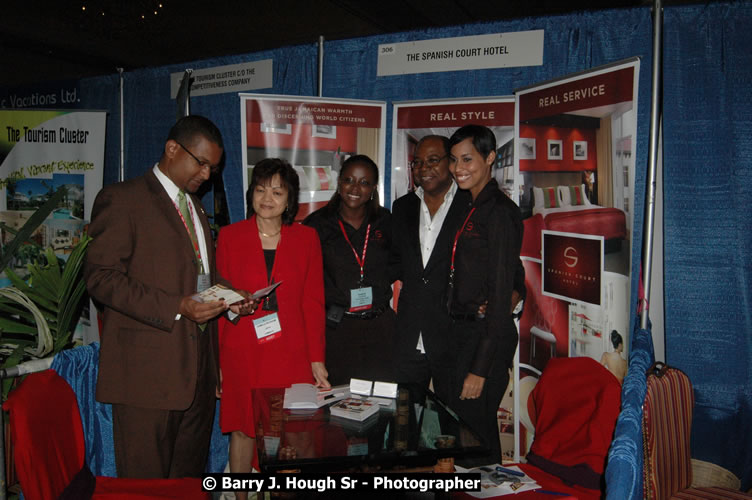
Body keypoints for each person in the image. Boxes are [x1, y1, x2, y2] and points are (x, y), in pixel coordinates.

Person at [84, 115, 255, 478]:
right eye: (202, 163)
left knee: (187, 485)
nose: (208, 175)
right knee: (148, 488)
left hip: (197, 379)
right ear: (172, 149)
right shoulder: (122, 198)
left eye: (214, 167)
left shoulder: (195, 206)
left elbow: (198, 274)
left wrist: (229, 296)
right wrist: (177, 306)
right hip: (147, 380)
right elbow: (101, 278)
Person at [216, 158, 329, 498]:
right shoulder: (229, 236)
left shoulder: (307, 238)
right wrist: (219, 363)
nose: (268, 198)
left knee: (295, 432)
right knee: (242, 428)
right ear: (251, 193)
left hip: (291, 351)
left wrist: (317, 359)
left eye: (277, 191)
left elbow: (313, 303)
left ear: (289, 199)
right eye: (261, 189)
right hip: (242, 349)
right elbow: (218, 300)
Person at [446, 124, 524, 466]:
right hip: (465, 331)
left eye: (467, 159)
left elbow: (502, 286)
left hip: (487, 335)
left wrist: (480, 369)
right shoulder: (468, 204)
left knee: (476, 436)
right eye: (453, 160)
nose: (457, 167)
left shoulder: (501, 212)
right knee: (467, 431)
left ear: (490, 158)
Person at [391, 135, 471, 404]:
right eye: (417, 162)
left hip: (454, 339)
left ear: (450, 163)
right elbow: (394, 262)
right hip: (409, 337)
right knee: (404, 426)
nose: (423, 168)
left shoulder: (471, 206)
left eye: (433, 160)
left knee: (456, 429)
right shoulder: (402, 208)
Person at [304, 155, 395, 386]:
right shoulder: (316, 225)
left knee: (380, 404)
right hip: (338, 331)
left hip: (381, 329)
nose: (355, 188)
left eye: (364, 182)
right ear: (339, 183)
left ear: (373, 188)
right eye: (349, 180)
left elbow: (402, 264)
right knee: (338, 408)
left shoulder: (386, 221)